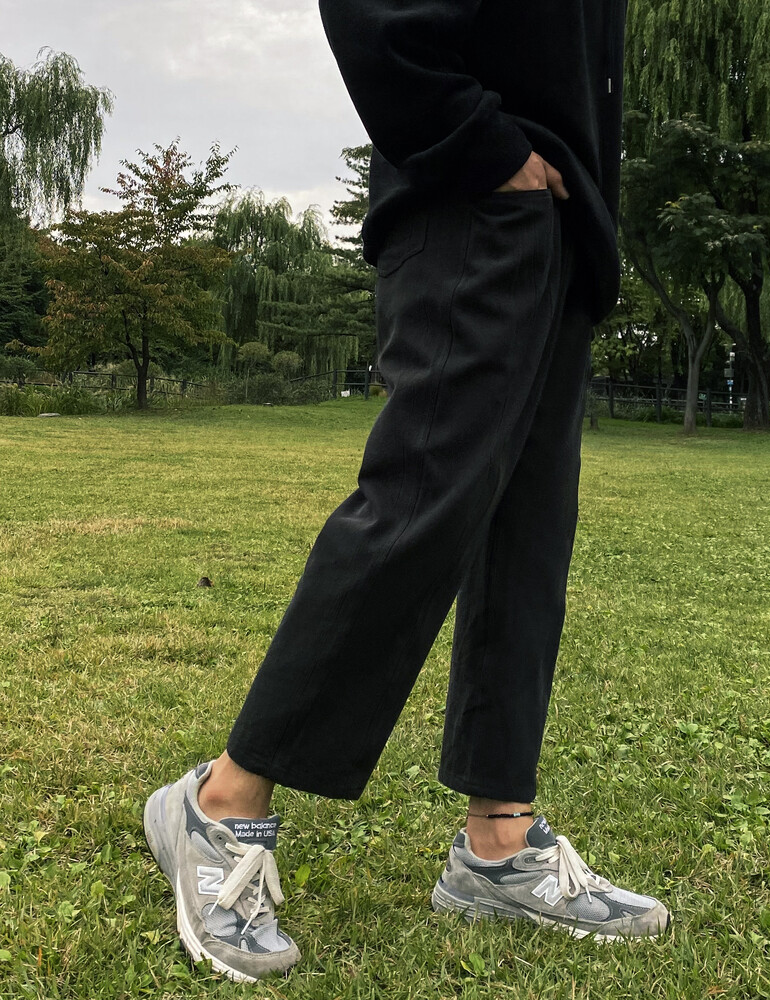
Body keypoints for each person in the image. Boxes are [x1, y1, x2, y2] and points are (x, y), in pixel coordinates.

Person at [143, 0, 670, 982]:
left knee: (527, 536)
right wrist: (483, 147)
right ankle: (216, 803)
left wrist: (569, 205)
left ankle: (498, 845)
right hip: (474, 199)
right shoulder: (481, 165)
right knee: (419, 508)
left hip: (560, 221)